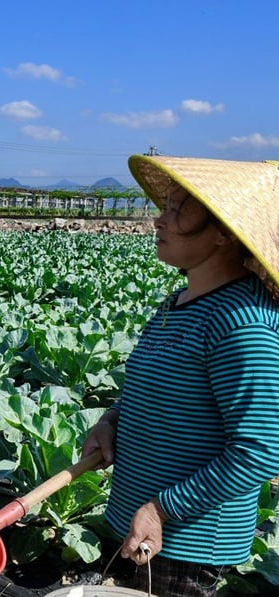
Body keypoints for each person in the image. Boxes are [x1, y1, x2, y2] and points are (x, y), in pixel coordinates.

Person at [81, 155, 279, 597]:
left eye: (177, 210)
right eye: (164, 206)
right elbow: (156, 390)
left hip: (187, 542)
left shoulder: (240, 324)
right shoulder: (180, 303)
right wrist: (111, 421)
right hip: (150, 530)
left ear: (225, 233)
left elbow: (261, 450)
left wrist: (161, 510)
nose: (158, 220)